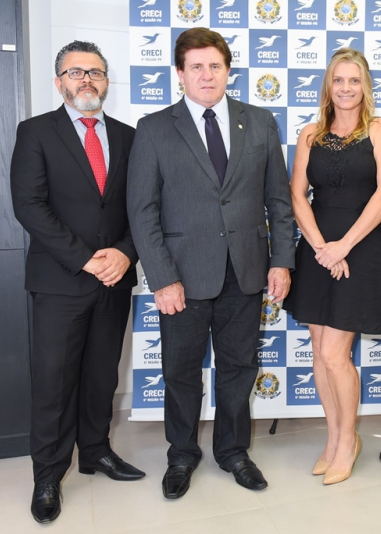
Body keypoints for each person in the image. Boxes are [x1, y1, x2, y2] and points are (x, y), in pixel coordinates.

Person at [126, 27, 294, 499]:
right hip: (181, 277)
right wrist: (162, 278)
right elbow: (142, 211)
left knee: (239, 368)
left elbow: (279, 201)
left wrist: (281, 261)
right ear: (179, 74)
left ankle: (234, 452)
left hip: (246, 271)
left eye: (215, 66)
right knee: (181, 372)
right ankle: (181, 455)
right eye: (196, 66)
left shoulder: (259, 122)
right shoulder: (154, 128)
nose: (206, 74)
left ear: (228, 71)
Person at [10, 41, 144, 524]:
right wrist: (86, 259)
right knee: (54, 383)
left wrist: (125, 253)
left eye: (95, 72)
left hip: (115, 279)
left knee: (101, 376)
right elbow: (29, 206)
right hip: (60, 281)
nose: (86, 79)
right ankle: (47, 475)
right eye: (75, 72)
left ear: (107, 81)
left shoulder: (129, 137)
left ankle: (96, 452)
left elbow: (141, 207)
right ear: (59, 81)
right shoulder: (35, 132)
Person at [283, 48, 381, 485]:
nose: (346, 88)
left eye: (354, 80)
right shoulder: (310, 134)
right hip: (317, 250)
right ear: (328, 86)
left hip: (361, 250)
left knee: (336, 354)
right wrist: (321, 248)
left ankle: (348, 441)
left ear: (365, 86)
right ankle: (333, 439)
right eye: (338, 80)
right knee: (319, 353)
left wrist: (343, 248)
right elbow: (297, 195)